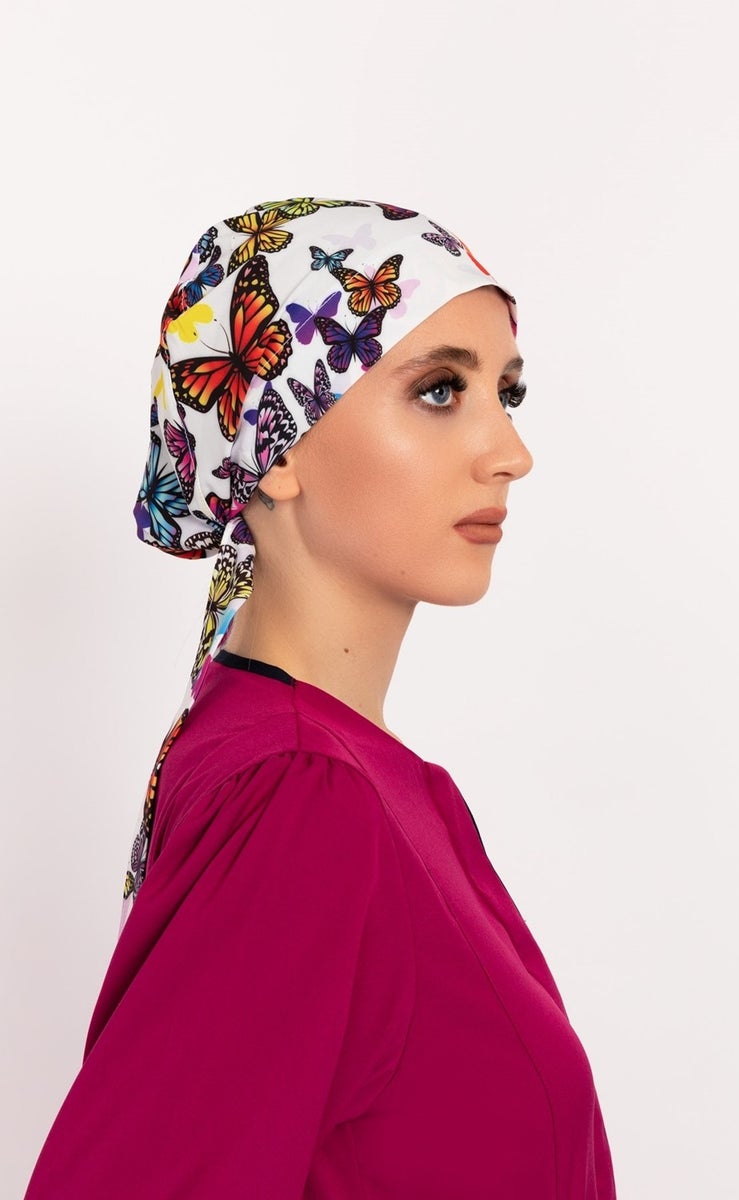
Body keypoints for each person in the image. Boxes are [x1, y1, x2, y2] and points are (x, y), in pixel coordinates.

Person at [24, 197, 616, 1197]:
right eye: (439, 391)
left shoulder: (348, 778)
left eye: (507, 394)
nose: (510, 454)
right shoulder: (303, 796)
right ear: (280, 442)